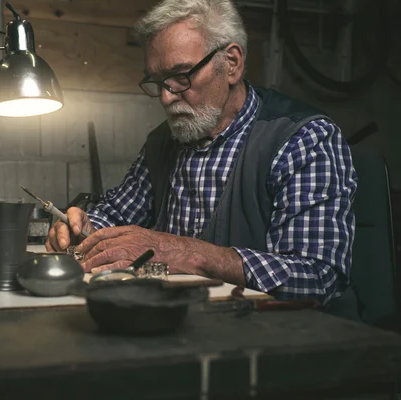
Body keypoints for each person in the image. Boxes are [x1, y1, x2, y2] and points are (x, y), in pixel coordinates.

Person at [45, 0, 358, 306]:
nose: (166, 98)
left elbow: (318, 276)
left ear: (231, 63)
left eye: (182, 76)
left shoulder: (303, 138)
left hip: (278, 338)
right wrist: (82, 229)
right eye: (157, 81)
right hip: (186, 325)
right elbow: (117, 215)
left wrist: (192, 255)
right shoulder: (165, 141)